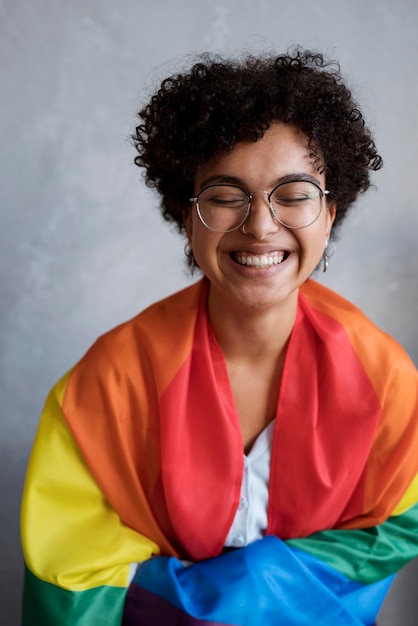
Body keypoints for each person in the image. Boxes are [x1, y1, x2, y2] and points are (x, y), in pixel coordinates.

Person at [21, 48, 418, 626]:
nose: (260, 225)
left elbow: (399, 525)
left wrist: (238, 590)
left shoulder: (383, 379)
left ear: (330, 213)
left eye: (295, 193)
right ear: (186, 215)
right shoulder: (109, 383)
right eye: (226, 196)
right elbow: (68, 575)